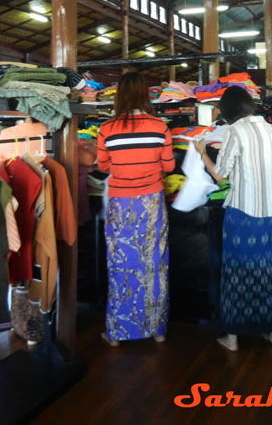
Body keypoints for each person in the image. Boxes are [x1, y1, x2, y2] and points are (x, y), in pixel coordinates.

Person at [194, 85, 272, 352]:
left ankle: (232, 337)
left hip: (243, 212)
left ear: (227, 111)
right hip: (269, 213)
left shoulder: (235, 131)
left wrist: (202, 152)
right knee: (264, 270)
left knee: (236, 271)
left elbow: (221, 175)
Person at [97, 72, 175, 346]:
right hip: (151, 202)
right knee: (154, 262)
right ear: (146, 94)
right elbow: (168, 167)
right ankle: (158, 330)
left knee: (121, 263)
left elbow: (103, 166)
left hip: (121, 204)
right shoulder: (159, 127)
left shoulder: (106, 128)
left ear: (119, 95)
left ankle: (118, 333)